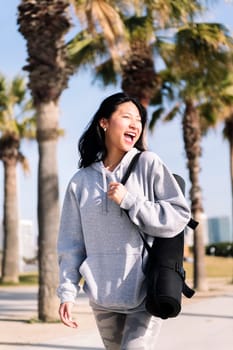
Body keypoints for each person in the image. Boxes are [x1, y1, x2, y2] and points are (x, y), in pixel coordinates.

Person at [57, 92, 191, 350]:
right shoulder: (80, 181)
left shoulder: (148, 164)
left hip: (144, 293)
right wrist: (67, 292)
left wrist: (130, 201)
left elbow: (178, 214)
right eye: (126, 117)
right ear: (104, 122)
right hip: (102, 298)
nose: (135, 125)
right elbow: (71, 244)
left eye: (139, 120)